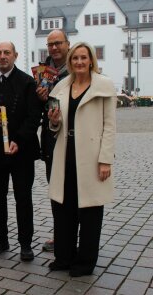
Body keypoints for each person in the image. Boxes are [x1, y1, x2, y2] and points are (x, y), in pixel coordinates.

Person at [48, 42, 116, 277]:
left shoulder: (104, 86)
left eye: (83, 58)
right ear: (70, 61)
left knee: (89, 211)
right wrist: (54, 121)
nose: (79, 62)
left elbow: (109, 126)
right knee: (63, 208)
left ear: (91, 61)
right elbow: (54, 127)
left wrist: (105, 159)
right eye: (75, 58)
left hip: (91, 155)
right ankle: (63, 257)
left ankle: (85, 262)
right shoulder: (60, 87)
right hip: (65, 152)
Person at [0, 42, 41, 261]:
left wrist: (18, 140)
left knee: (23, 198)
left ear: (15, 55)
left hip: (21, 151)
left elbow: (34, 117)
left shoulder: (27, 82)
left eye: (7, 53)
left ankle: (26, 244)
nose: (3, 56)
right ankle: (1, 240)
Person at [36, 30, 70, 253]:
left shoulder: (76, 69)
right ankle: (60, 235)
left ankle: (71, 236)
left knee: (72, 190)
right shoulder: (43, 72)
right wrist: (39, 98)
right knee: (55, 188)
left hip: (72, 137)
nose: (54, 48)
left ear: (67, 44)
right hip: (50, 138)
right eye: (50, 44)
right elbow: (38, 109)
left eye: (58, 43)